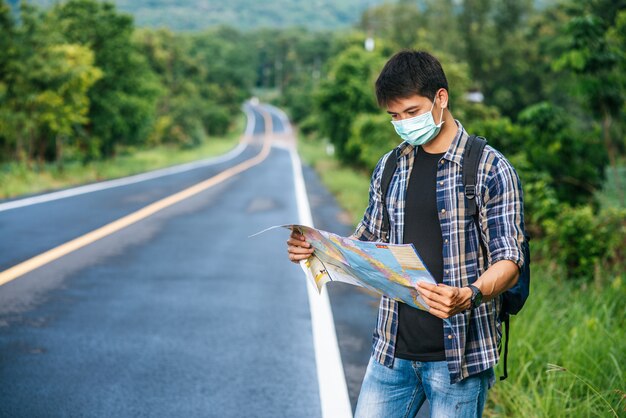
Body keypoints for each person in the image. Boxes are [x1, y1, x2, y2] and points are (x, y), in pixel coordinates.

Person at [286, 50, 526, 418]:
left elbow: (509, 259)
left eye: (411, 112)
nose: (403, 123)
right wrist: (315, 249)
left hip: (459, 357)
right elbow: (365, 243)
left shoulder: (489, 167)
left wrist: (469, 294)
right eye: (394, 116)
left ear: (440, 99)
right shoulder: (391, 165)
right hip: (392, 352)